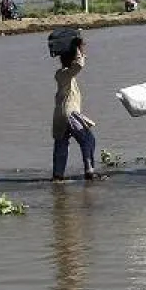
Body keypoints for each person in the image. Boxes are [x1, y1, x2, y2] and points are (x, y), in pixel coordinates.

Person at [52, 38, 102, 182]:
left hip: (60, 117)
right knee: (88, 140)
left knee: (61, 145)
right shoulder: (64, 74)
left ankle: (58, 176)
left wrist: (78, 50)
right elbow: (79, 65)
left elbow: (77, 65)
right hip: (69, 114)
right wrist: (78, 50)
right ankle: (89, 171)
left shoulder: (64, 74)